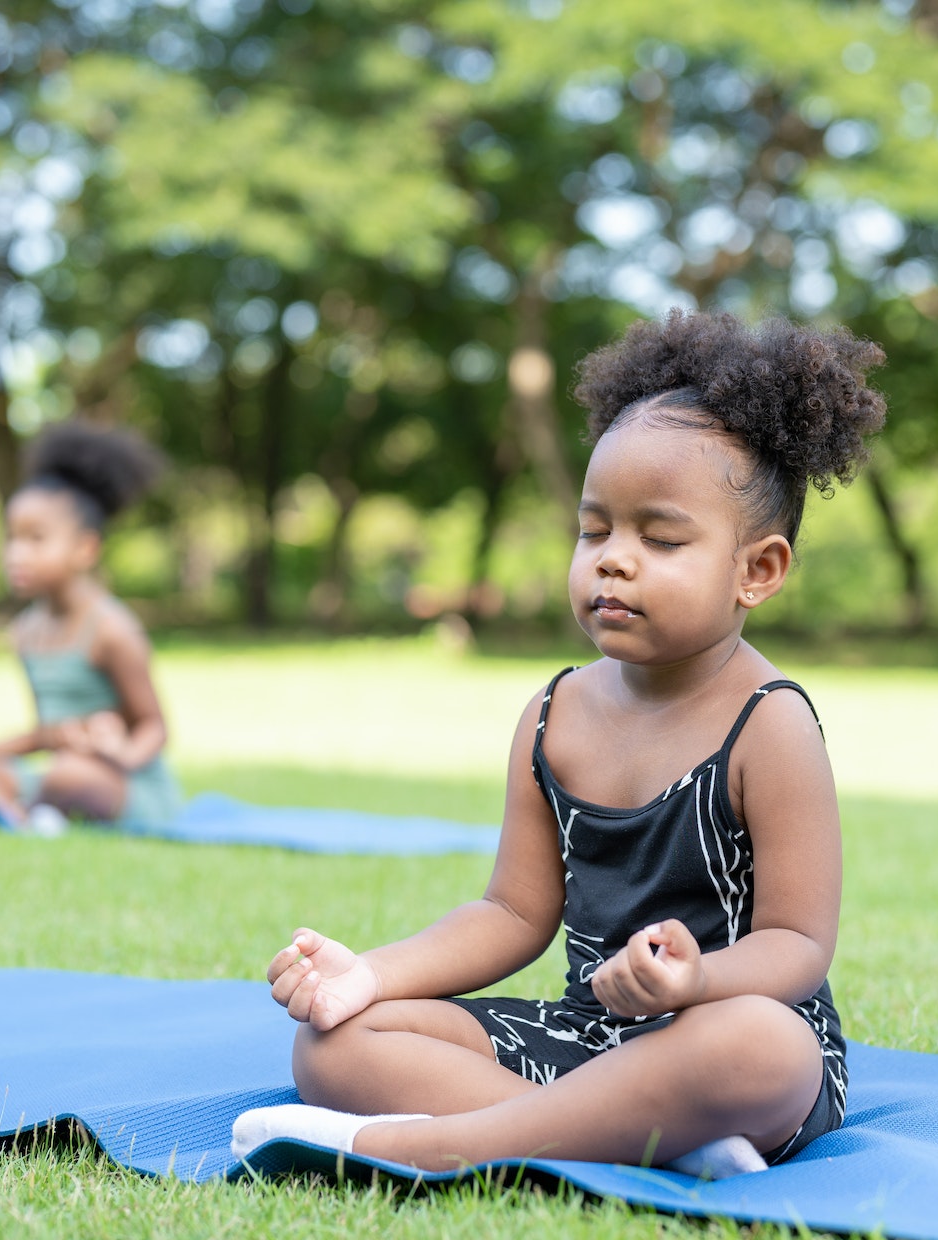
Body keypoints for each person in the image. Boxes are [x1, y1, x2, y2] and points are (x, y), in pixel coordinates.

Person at [231, 311, 884, 1176]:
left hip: (727, 1029)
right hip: (590, 1036)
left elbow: (797, 946)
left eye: (661, 537)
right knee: (335, 1041)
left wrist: (692, 983)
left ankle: (437, 1144)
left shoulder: (771, 722)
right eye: (595, 530)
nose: (614, 560)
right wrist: (371, 975)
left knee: (764, 1045)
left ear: (755, 571)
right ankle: (644, 1140)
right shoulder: (553, 712)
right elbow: (512, 914)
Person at [0, 422, 184, 835]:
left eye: (36, 539)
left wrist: (119, 754)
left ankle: (34, 810)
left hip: (120, 779)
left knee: (70, 776)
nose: (16, 555)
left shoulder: (112, 630)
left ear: (86, 549)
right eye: (11, 539)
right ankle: (17, 816)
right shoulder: (25, 631)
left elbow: (155, 727)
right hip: (57, 769)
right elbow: (46, 735)